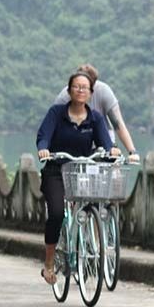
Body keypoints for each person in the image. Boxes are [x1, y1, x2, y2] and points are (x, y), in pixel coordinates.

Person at [36, 71, 118, 284]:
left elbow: (105, 143)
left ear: (91, 93)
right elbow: (43, 135)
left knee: (92, 205)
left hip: (82, 171)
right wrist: (44, 149)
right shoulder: (56, 113)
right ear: (69, 90)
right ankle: (49, 262)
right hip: (56, 170)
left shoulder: (95, 118)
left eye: (85, 87)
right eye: (76, 86)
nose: (80, 90)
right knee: (56, 213)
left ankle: (86, 246)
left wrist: (112, 151)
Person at [52, 64, 140, 163]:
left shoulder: (104, 92)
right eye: (78, 86)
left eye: (87, 87)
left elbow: (118, 124)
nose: (83, 92)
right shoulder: (64, 97)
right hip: (76, 140)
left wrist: (132, 152)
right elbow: (53, 126)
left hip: (104, 138)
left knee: (113, 166)